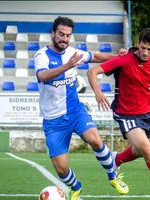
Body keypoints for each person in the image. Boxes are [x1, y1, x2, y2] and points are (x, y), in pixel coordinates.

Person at [34, 16, 128, 200]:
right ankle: (75, 187)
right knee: (60, 168)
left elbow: (95, 57)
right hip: (53, 120)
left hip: (75, 111)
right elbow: (42, 76)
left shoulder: (73, 53)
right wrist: (67, 66)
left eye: (68, 35)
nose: (64, 38)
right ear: (53, 33)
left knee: (94, 139)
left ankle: (113, 177)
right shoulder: (41, 55)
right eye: (61, 34)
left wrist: (119, 58)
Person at [88, 28, 150, 200]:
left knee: (139, 150)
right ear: (137, 43)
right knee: (148, 149)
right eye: (142, 47)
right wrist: (98, 92)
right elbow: (93, 71)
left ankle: (115, 160)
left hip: (147, 112)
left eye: (149, 49)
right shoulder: (124, 59)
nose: (145, 52)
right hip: (126, 114)